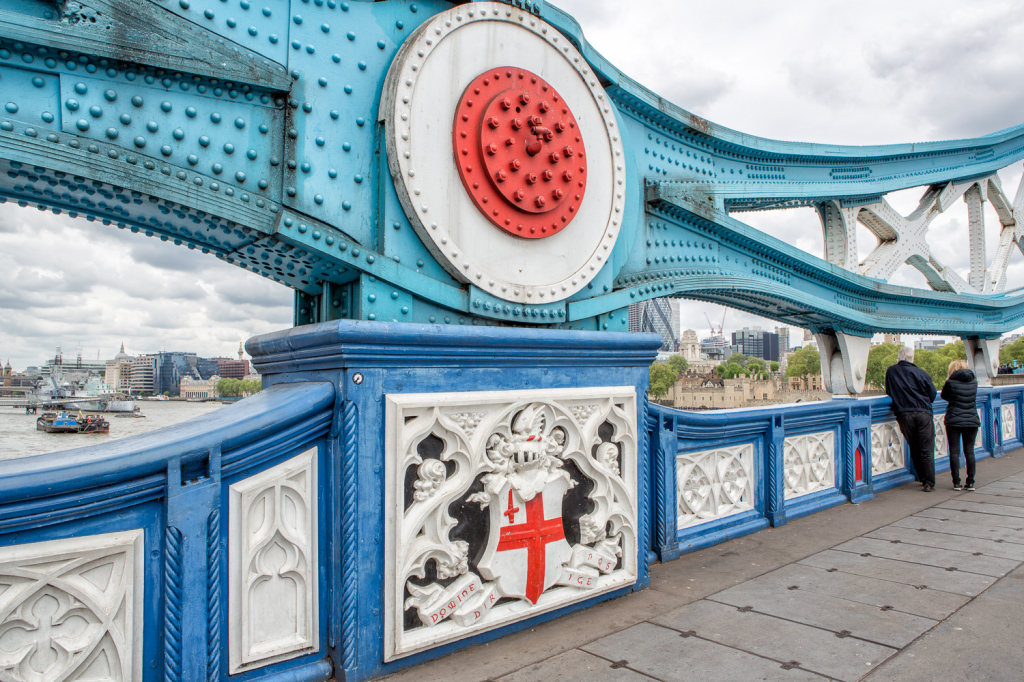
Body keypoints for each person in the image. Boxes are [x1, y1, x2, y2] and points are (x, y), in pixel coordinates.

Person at [885, 347, 937, 491]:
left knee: (914, 446)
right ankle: (929, 482)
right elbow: (932, 395)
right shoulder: (921, 373)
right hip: (923, 413)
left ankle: (921, 477)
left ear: (899, 359)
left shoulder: (891, 371)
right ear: (912, 359)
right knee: (926, 448)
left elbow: (889, 391)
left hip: (904, 414)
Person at [940, 359, 979, 491]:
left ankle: (956, 482)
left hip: (954, 420)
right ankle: (971, 482)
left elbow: (944, 396)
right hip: (972, 419)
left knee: (955, 451)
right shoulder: (974, 382)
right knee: (969, 451)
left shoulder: (950, 382)